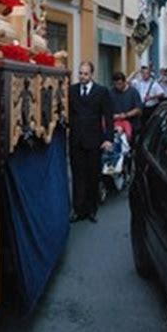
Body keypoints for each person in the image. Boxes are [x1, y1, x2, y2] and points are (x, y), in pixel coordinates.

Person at [69, 61, 113, 223]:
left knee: (93, 176)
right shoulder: (72, 90)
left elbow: (108, 117)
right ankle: (78, 210)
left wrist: (108, 139)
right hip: (76, 140)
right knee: (77, 176)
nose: (82, 76)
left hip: (95, 141)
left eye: (85, 74)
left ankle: (92, 209)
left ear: (91, 74)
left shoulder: (102, 92)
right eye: (80, 73)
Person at [109, 71, 142, 143]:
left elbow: (138, 109)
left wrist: (126, 115)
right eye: (115, 84)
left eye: (120, 84)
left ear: (124, 82)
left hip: (132, 126)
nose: (118, 86)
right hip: (116, 127)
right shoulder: (111, 92)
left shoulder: (133, 92)